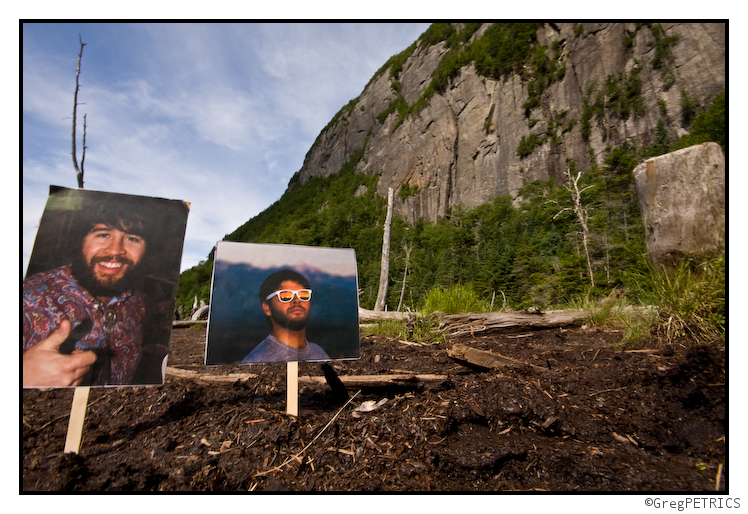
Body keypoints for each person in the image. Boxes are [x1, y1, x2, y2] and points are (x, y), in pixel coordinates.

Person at [23, 201, 152, 387]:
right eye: (102, 234)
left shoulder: (136, 300)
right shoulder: (28, 296)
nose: (115, 250)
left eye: (132, 238)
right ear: (80, 240)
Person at [242, 269, 329, 363]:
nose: (297, 300)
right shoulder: (256, 361)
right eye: (285, 296)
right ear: (267, 308)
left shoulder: (319, 353)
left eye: (303, 295)